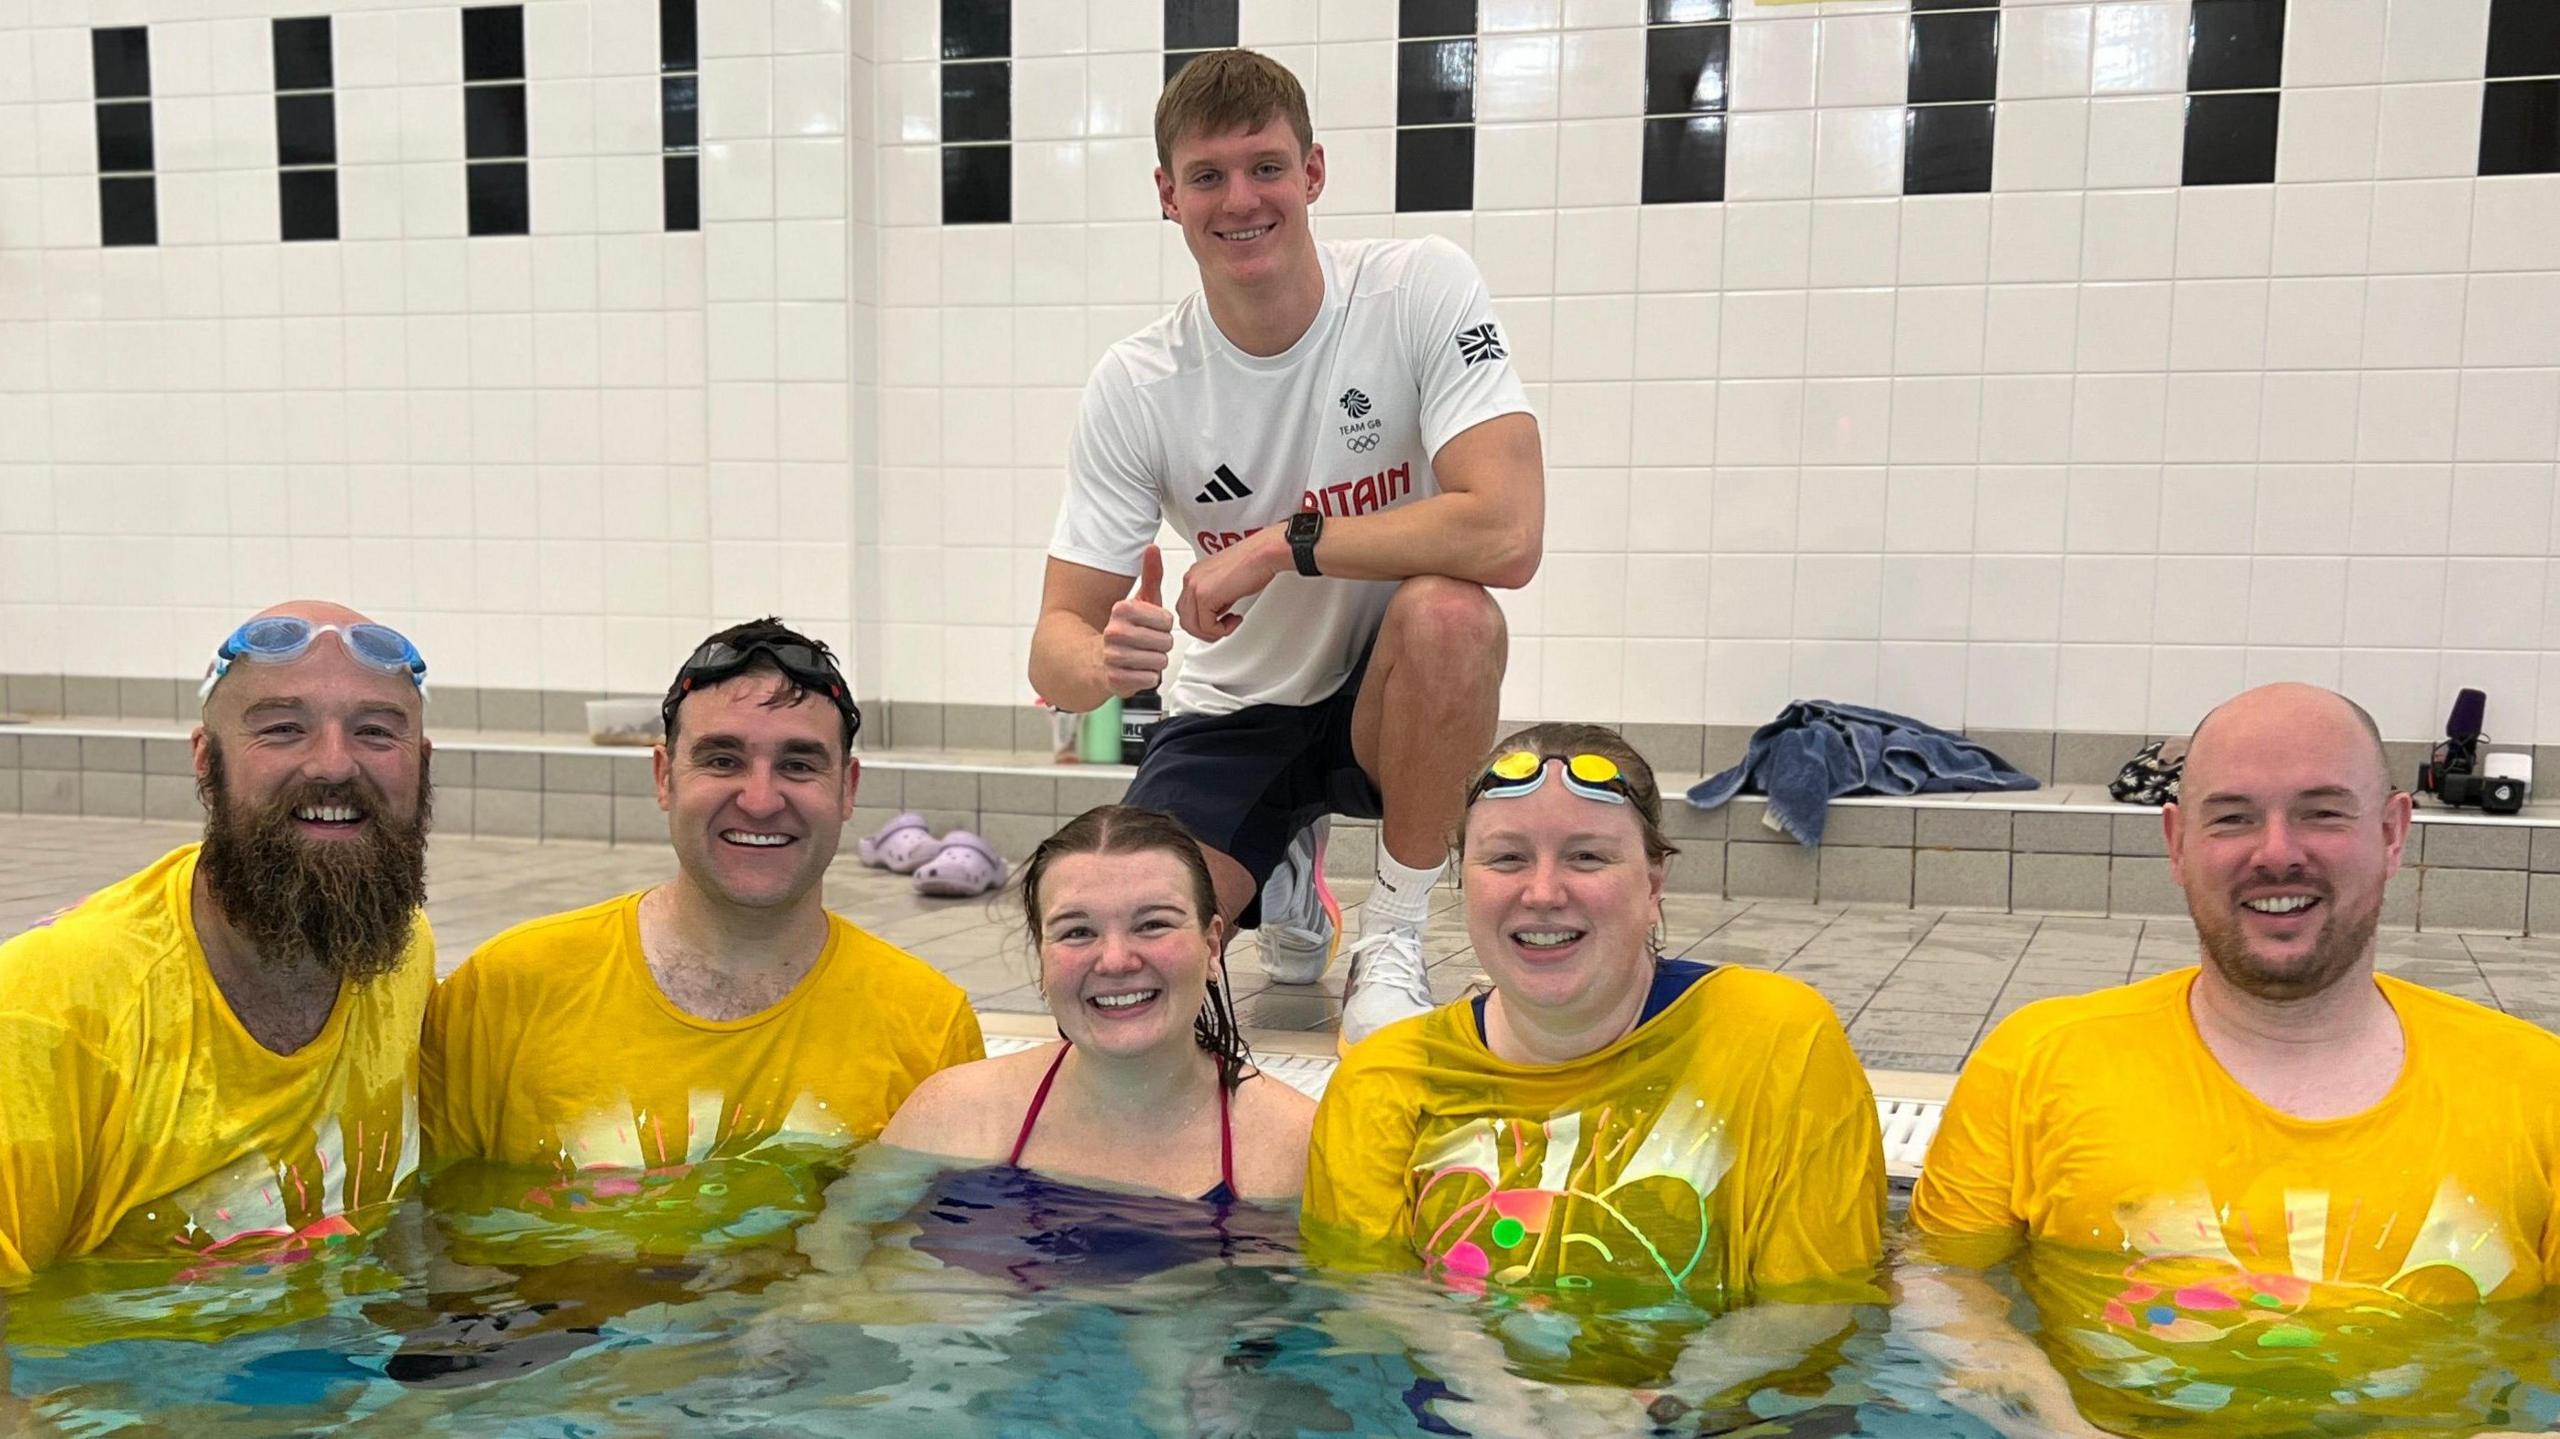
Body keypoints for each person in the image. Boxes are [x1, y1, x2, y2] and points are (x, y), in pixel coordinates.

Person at [1030, 48, 1544, 1047]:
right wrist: (1096, 663)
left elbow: (1508, 531)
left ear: (1312, 173)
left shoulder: (1416, 288)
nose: (1241, 199)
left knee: (1450, 608)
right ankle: (1286, 878)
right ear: (1167, 196)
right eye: (1208, 176)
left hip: (1386, 694)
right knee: (1139, 964)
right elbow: (1052, 641)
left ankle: (1391, 932)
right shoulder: (1138, 382)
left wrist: (1277, 545)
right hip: (1236, 708)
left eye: (1265, 166)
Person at [1905, 682, 2560, 1438]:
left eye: (2322, 811)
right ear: (2176, 842)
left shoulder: (2536, 1087)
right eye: (2233, 817)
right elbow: (1939, 1284)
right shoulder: (2039, 1064)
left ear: (2392, 832)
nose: (2277, 852)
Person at [1302, 723, 1884, 1397]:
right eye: (1508, 858)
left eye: (1586, 857)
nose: (1544, 891)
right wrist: (1497, 1396)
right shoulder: (1386, 1080)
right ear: (1463, 878)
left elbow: (1811, 1307)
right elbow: (1369, 1300)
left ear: (1653, 882)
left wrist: (1657, 1408)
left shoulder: (1778, 1040)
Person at [418, 618, 982, 1231]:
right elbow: (424, 1237)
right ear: (664, 777)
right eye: (722, 759)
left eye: (798, 765)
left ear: (847, 789)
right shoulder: (508, 989)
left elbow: (927, 1272)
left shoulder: (928, 1026)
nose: (761, 799)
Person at [0, 601, 437, 1280]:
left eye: (375, 731)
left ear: (423, 763)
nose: (333, 764)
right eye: (284, 728)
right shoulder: (47, 1010)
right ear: (208, 760)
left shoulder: (398, 950)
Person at [876, 804, 1314, 1209]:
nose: (1115, 961)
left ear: (1213, 945)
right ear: (1042, 959)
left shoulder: (1294, 1148)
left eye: (1153, 924)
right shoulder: (953, 1119)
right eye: (1077, 932)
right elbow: (845, 1265)